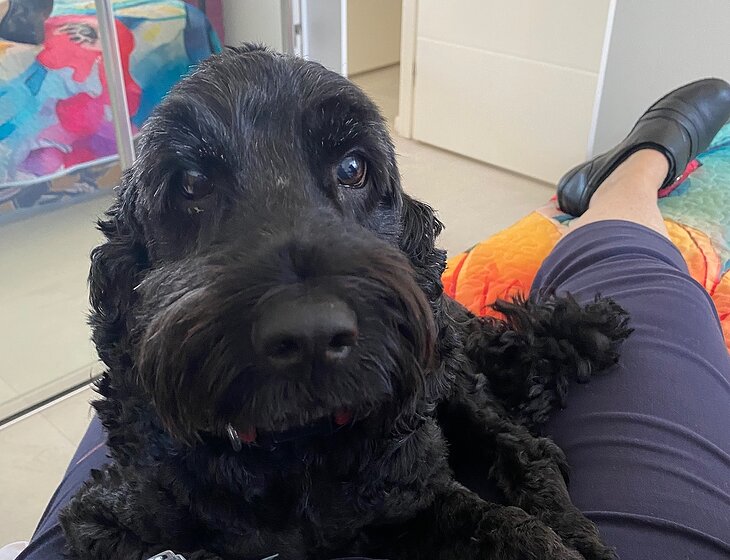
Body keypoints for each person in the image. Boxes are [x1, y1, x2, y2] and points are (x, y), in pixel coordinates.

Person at [13, 79, 730, 560]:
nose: (306, 322)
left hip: (378, 431)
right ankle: (630, 185)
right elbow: (105, 520)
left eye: (351, 173)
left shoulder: (400, 446)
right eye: (194, 187)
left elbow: (435, 511)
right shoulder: (157, 475)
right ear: (130, 274)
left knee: (500, 340)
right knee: (642, 281)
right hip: (204, 453)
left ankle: (632, 173)